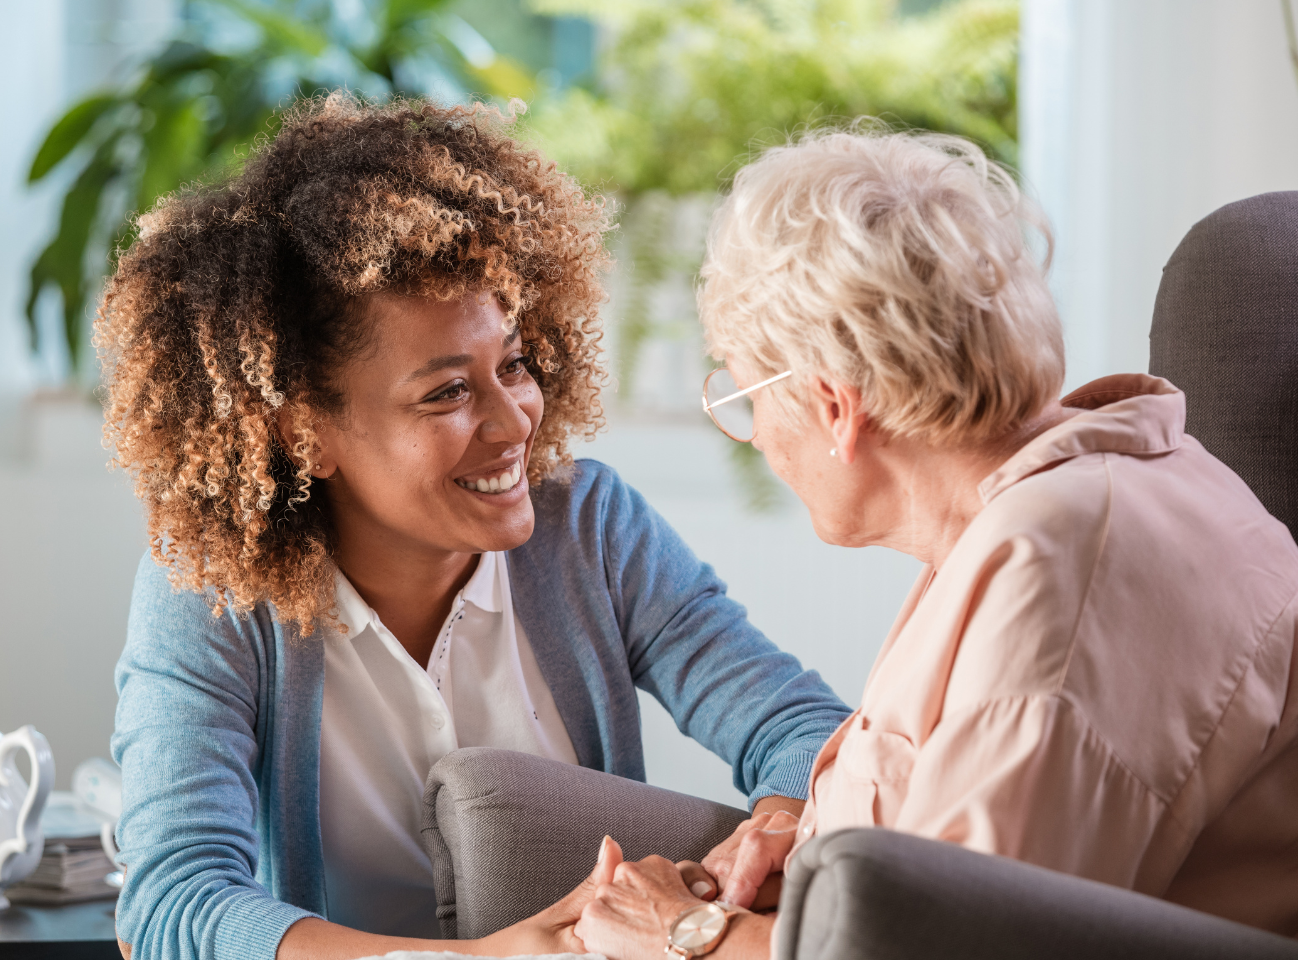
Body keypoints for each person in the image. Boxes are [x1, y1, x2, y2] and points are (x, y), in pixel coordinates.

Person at [99, 94, 851, 960]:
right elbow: (172, 902)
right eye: (448, 392)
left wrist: (773, 829)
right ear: (306, 432)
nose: (515, 421)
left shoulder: (592, 530)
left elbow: (805, 731)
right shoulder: (213, 592)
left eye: (515, 364)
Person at [573, 125, 1298, 960]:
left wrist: (688, 934)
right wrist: (817, 863)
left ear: (834, 404)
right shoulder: (1043, 511)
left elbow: (961, 947)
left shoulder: (1062, 569)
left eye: (746, 395)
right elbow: (946, 855)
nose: (758, 439)